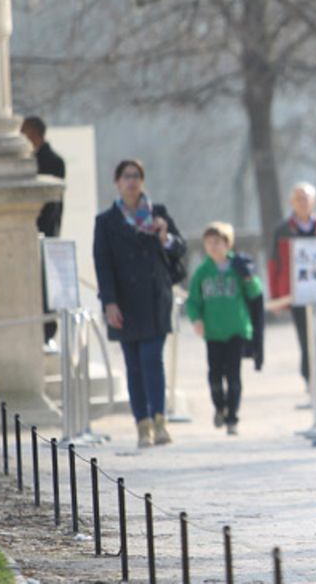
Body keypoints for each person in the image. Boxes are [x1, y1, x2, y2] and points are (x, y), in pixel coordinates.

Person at [93, 159, 186, 448]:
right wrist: (109, 302)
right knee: (133, 364)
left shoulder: (158, 214)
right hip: (125, 302)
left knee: (151, 359)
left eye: (136, 176)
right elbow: (103, 265)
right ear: (117, 183)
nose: (131, 181)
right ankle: (141, 424)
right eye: (126, 176)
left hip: (155, 297)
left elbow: (180, 248)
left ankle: (160, 421)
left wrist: (165, 236)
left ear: (142, 182)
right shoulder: (106, 222)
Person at [186, 222, 264, 436]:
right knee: (214, 375)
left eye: (218, 242)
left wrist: (248, 278)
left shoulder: (238, 267)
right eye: (209, 243)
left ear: (228, 244)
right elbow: (193, 301)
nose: (213, 247)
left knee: (234, 375)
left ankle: (233, 418)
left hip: (236, 330)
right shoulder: (203, 272)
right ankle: (219, 407)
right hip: (212, 332)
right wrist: (196, 320)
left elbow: (255, 292)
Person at [268, 182, 316, 387]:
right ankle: (309, 380)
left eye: (306, 198)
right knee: (306, 338)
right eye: (298, 199)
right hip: (296, 292)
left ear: (313, 201)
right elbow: (273, 263)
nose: (302, 203)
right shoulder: (282, 230)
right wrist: (277, 297)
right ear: (291, 202)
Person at [22, 116, 66, 346]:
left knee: (47, 287)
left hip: (44, 233)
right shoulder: (30, 160)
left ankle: (48, 332)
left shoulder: (51, 160)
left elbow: (52, 205)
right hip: (34, 234)